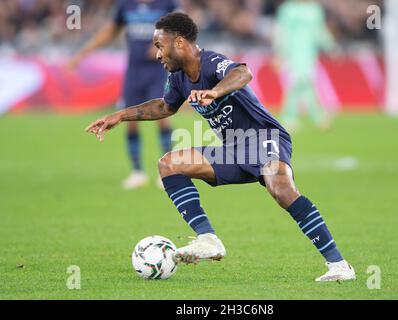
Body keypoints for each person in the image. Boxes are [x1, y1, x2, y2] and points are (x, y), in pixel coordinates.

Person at [85, 13, 356, 281]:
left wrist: (215, 92)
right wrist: (120, 115)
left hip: (264, 137)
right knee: (169, 164)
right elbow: (164, 106)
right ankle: (208, 239)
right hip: (233, 148)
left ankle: (339, 265)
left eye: (160, 46)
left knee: (280, 188)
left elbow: (243, 72)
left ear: (179, 43)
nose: (157, 54)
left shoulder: (212, 62)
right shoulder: (179, 77)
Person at [68, 0, 177, 189]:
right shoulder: (126, 5)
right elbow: (110, 31)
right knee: (129, 119)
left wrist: (164, 46)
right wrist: (83, 53)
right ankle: (137, 172)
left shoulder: (166, 4)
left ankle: (168, 170)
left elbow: (181, 29)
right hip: (134, 72)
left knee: (163, 116)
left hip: (158, 70)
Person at [274, 0, 335, 131]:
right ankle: (313, 116)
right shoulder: (287, 9)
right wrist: (279, 53)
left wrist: (331, 47)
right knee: (297, 83)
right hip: (291, 53)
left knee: (305, 83)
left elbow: (320, 31)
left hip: (309, 54)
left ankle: (296, 117)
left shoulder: (315, 9)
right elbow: (280, 33)